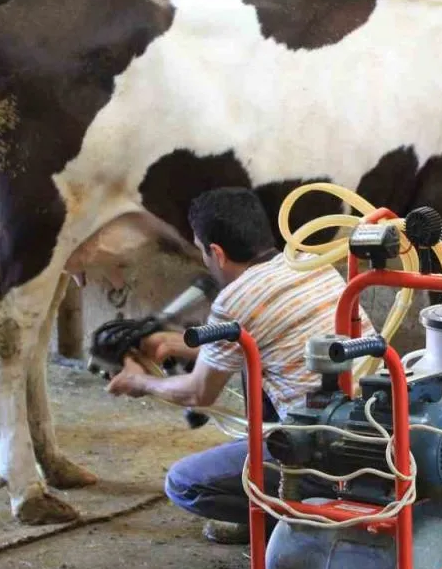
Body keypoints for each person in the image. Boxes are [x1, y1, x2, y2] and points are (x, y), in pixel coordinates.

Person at [105, 187, 374, 544]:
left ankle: (284, 516)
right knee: (255, 367)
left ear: (216, 253)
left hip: (323, 452)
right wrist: (174, 344)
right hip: (376, 431)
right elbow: (262, 342)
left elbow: (199, 393)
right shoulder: (310, 264)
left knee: (183, 484)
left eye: (203, 251)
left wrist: (139, 382)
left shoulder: (235, 299)